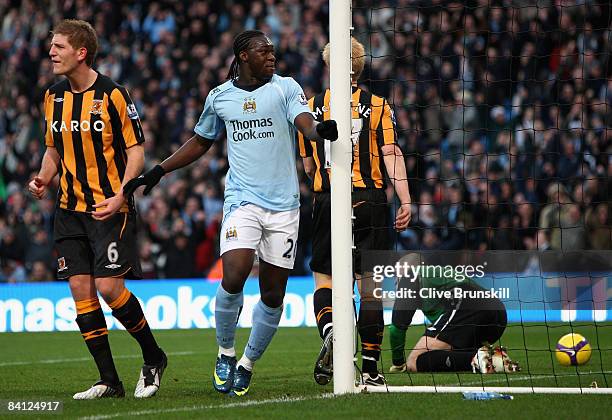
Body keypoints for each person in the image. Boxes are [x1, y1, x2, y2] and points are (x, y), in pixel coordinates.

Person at [123, 30, 338, 397]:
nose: (271, 56)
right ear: (242, 55)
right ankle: (225, 353)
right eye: (263, 51)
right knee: (235, 272)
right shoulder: (221, 97)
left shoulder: (286, 87)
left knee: (272, 295)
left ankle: (247, 364)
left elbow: (304, 121)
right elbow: (201, 141)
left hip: (285, 206)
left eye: (272, 51)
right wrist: (160, 170)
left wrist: (319, 131)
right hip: (242, 200)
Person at [27, 19, 166, 399]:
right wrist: (43, 177)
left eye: (58, 47)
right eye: (52, 46)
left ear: (81, 52)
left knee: (109, 287)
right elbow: (53, 149)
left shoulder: (114, 95)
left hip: (108, 206)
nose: (51, 53)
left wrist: (122, 193)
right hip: (68, 209)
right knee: (81, 291)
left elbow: (136, 151)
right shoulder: (53, 97)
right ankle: (110, 381)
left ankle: (154, 357)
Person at [297, 37, 412, 386]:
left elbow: (305, 161)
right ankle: (373, 369)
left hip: (330, 199)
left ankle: (332, 331)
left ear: (331, 66)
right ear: (361, 66)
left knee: (327, 282)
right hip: (372, 201)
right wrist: (406, 200)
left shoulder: (312, 107)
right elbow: (391, 152)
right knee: (371, 288)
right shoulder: (377, 105)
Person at [388, 255, 520, 374]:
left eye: (396, 276)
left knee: (414, 361)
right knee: (440, 356)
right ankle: (492, 359)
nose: (395, 282)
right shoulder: (438, 279)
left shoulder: (410, 275)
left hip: (467, 305)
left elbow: (396, 328)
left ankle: (480, 359)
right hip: (497, 315)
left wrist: (398, 364)